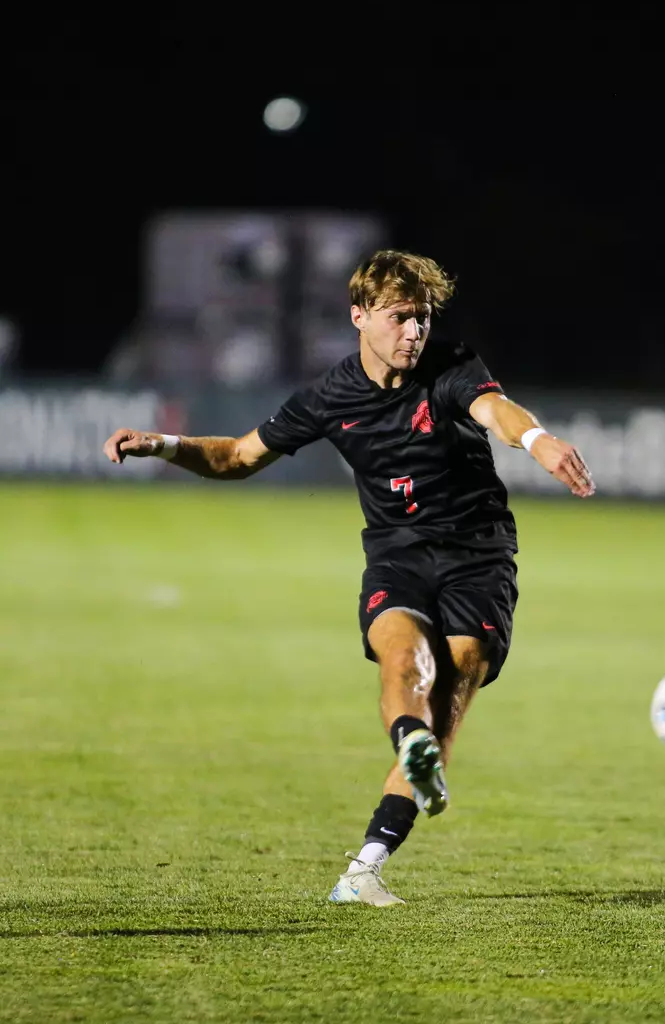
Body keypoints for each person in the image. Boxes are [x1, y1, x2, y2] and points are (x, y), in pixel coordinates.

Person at [102, 250, 595, 906]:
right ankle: (410, 746)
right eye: (400, 317)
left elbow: (496, 410)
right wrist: (163, 445)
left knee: (452, 688)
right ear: (359, 316)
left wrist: (538, 442)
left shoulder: (451, 365)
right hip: (398, 555)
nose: (414, 332)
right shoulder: (330, 397)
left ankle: (365, 865)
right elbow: (239, 456)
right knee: (404, 660)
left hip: (479, 555)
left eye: (422, 318)